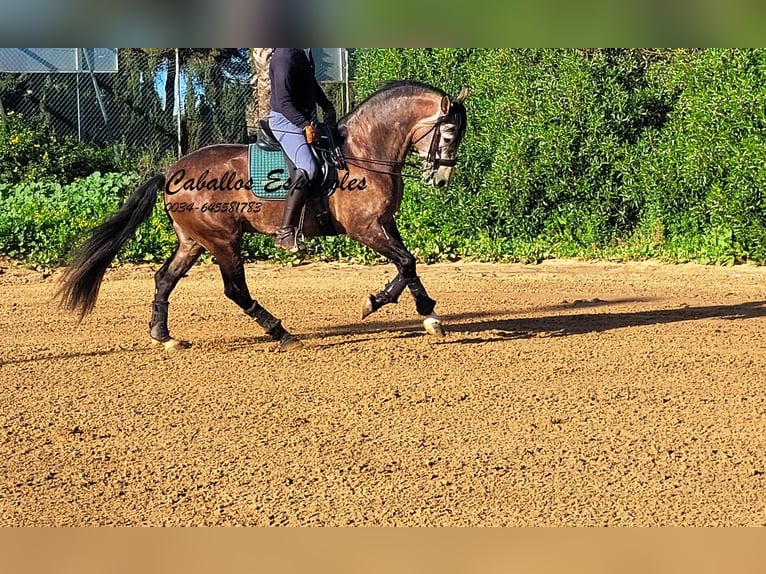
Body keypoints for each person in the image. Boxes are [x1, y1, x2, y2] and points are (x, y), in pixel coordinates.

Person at [268, 48, 337, 252]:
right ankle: (285, 232)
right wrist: (305, 125)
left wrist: (327, 106)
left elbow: (309, 83)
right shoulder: (284, 57)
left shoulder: (303, 53)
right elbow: (283, 102)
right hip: (285, 120)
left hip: (302, 118)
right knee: (308, 168)